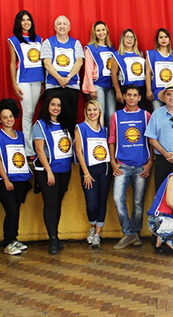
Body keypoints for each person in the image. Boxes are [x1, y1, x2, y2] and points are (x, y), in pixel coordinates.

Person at [108, 86, 153, 250]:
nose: (132, 98)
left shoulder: (146, 115)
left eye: (135, 95)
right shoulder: (116, 116)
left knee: (138, 203)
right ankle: (129, 233)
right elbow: (112, 139)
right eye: (129, 95)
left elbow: (151, 140)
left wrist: (150, 162)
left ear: (139, 98)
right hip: (122, 165)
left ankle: (135, 233)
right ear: (124, 97)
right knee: (117, 198)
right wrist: (113, 162)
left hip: (141, 166)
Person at [32, 93, 74, 254]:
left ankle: (55, 235)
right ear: (47, 107)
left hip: (65, 171)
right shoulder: (40, 125)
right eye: (53, 105)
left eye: (58, 105)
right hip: (48, 171)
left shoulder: (65, 125)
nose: (56, 108)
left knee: (57, 204)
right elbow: (39, 149)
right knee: (50, 205)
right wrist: (49, 171)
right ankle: (52, 240)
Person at [0, 99, 32, 255]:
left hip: (21, 179)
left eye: (10, 116)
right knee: (12, 211)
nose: (9, 120)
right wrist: (6, 180)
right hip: (6, 181)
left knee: (16, 211)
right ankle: (8, 242)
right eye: (5, 117)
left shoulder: (21, 135)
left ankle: (14, 238)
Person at [75, 100, 111, 248]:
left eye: (95, 109)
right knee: (92, 204)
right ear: (86, 112)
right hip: (88, 171)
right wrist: (86, 173)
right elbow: (79, 151)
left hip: (105, 169)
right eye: (89, 110)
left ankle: (97, 233)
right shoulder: (80, 128)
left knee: (102, 201)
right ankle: (92, 226)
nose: (92, 112)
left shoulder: (104, 129)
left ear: (99, 112)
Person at [8, 10, 43, 157]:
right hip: (22, 80)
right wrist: (14, 84)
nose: (26, 22)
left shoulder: (39, 39)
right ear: (19, 23)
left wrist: (43, 83)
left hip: (38, 79)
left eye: (28, 19)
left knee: (33, 112)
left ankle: (33, 145)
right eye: (23, 20)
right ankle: (29, 150)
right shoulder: (14, 40)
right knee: (28, 113)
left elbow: (43, 61)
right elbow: (12, 63)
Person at [41, 15, 84, 126]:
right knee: (52, 118)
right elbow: (47, 63)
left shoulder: (76, 43)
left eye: (64, 24)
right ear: (55, 27)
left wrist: (68, 77)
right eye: (59, 24)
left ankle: (69, 141)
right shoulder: (48, 42)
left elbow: (79, 62)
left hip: (72, 86)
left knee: (70, 117)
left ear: (69, 27)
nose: (62, 26)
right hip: (53, 86)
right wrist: (59, 78)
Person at [82, 21, 116, 125]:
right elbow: (88, 70)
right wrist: (91, 88)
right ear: (94, 33)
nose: (101, 32)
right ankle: (99, 139)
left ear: (107, 31)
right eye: (98, 30)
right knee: (99, 114)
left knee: (111, 114)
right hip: (97, 85)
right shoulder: (90, 49)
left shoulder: (112, 48)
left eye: (103, 30)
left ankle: (109, 140)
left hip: (110, 85)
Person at [145, 28, 173, 112]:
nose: (163, 39)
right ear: (157, 40)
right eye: (161, 37)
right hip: (157, 92)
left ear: (169, 39)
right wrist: (148, 89)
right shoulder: (151, 54)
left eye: (165, 37)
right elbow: (148, 73)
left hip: (172, 93)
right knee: (158, 118)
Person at [112, 29, 148, 110]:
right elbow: (114, 74)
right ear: (123, 39)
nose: (129, 39)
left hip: (140, 88)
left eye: (132, 37)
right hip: (126, 88)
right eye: (127, 37)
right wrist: (118, 91)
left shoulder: (140, 54)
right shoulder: (117, 55)